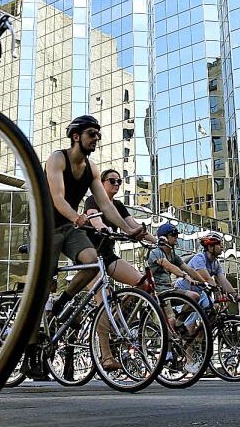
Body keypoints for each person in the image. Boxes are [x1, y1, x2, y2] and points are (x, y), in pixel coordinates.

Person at [23, 115, 152, 378]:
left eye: (97, 134)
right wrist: (77, 217)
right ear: (76, 136)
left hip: (69, 228)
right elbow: (58, 198)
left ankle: (64, 300)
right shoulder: (57, 159)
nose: (96, 139)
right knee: (41, 288)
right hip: (47, 226)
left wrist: (130, 230)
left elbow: (106, 206)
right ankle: (30, 350)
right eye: (92, 134)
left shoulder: (92, 169)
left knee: (93, 261)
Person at [176, 230, 240, 306]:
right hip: (184, 289)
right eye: (219, 244)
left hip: (199, 293)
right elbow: (207, 279)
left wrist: (236, 296)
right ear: (210, 247)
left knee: (215, 308)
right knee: (186, 313)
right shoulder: (200, 258)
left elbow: (223, 281)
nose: (222, 247)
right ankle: (180, 318)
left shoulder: (216, 263)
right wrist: (218, 291)